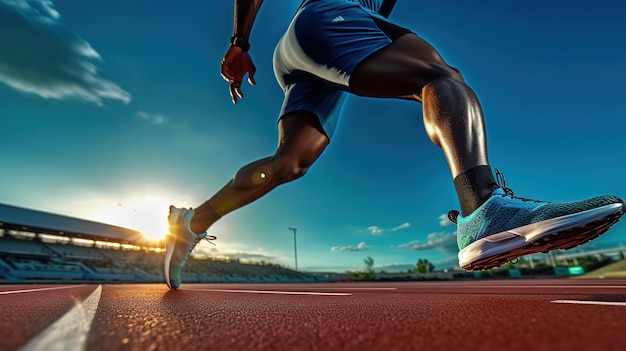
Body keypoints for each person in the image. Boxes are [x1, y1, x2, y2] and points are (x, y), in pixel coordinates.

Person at [163, 0, 624, 289]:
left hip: (304, 45)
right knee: (439, 76)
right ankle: (483, 208)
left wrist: (245, 42)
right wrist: (239, 39)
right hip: (326, 16)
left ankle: (193, 222)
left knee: (290, 162)